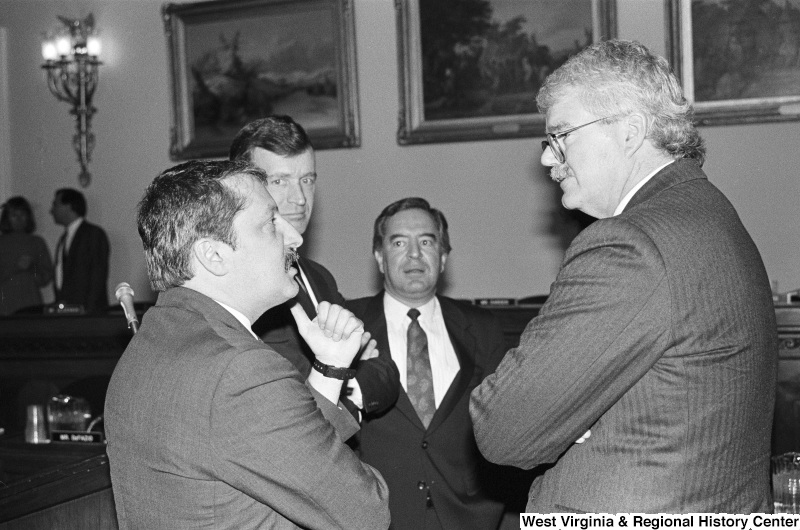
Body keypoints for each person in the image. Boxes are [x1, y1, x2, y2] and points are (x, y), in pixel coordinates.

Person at [470, 39, 777, 513]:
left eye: (561, 135)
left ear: (630, 131)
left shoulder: (630, 245)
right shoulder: (711, 215)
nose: (549, 159)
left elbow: (503, 428)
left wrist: (570, 418)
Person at [104, 160, 390, 529]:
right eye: (271, 222)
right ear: (215, 255)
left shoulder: (150, 344)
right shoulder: (240, 370)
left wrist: (329, 368)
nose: (294, 237)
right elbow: (365, 512)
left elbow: (277, 454)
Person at [346, 197, 507, 529]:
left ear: (444, 256)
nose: (415, 254)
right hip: (376, 517)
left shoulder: (483, 328)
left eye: (426, 242)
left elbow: (504, 424)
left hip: (469, 518)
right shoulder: (347, 326)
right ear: (379, 257)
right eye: (399, 242)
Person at [230, 115, 399, 417]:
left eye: (307, 180)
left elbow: (385, 371)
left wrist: (347, 381)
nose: (299, 199)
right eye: (279, 181)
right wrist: (354, 387)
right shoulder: (242, 287)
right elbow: (291, 410)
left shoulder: (319, 277)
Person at [50, 188, 110, 313]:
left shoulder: (93, 234)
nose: (52, 210)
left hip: (88, 313)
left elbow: (97, 275)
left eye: (56, 204)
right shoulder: (64, 239)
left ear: (68, 206)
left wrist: (89, 309)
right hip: (67, 311)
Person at [0, 196, 53, 315]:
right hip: (4, 303)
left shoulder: (37, 242)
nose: (19, 219)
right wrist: (15, 267)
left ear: (28, 217)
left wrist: (31, 268)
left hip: (30, 302)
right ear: (6, 218)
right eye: (14, 215)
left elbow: (46, 276)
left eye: (22, 215)